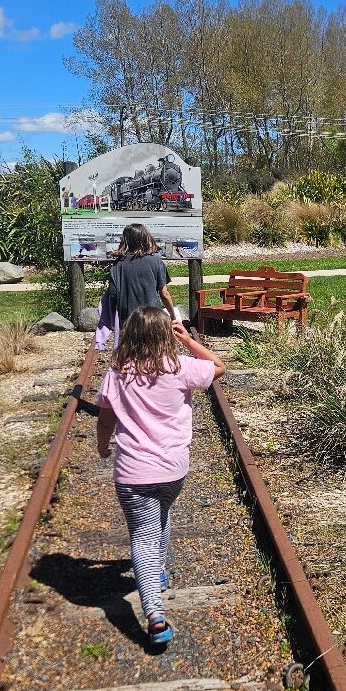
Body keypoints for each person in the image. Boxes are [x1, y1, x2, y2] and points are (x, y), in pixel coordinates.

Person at [95, 307, 225, 645]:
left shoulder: (117, 372)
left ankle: (153, 613)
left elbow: (106, 419)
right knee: (161, 515)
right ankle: (158, 572)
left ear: (130, 336)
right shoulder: (180, 367)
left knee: (142, 535)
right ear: (167, 335)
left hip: (133, 473)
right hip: (173, 471)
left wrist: (101, 446)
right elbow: (219, 367)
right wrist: (189, 341)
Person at [105, 224, 175, 323]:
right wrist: (172, 315)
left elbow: (112, 295)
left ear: (125, 240)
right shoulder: (156, 261)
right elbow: (164, 293)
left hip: (128, 319)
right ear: (145, 239)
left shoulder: (117, 265)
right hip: (153, 317)